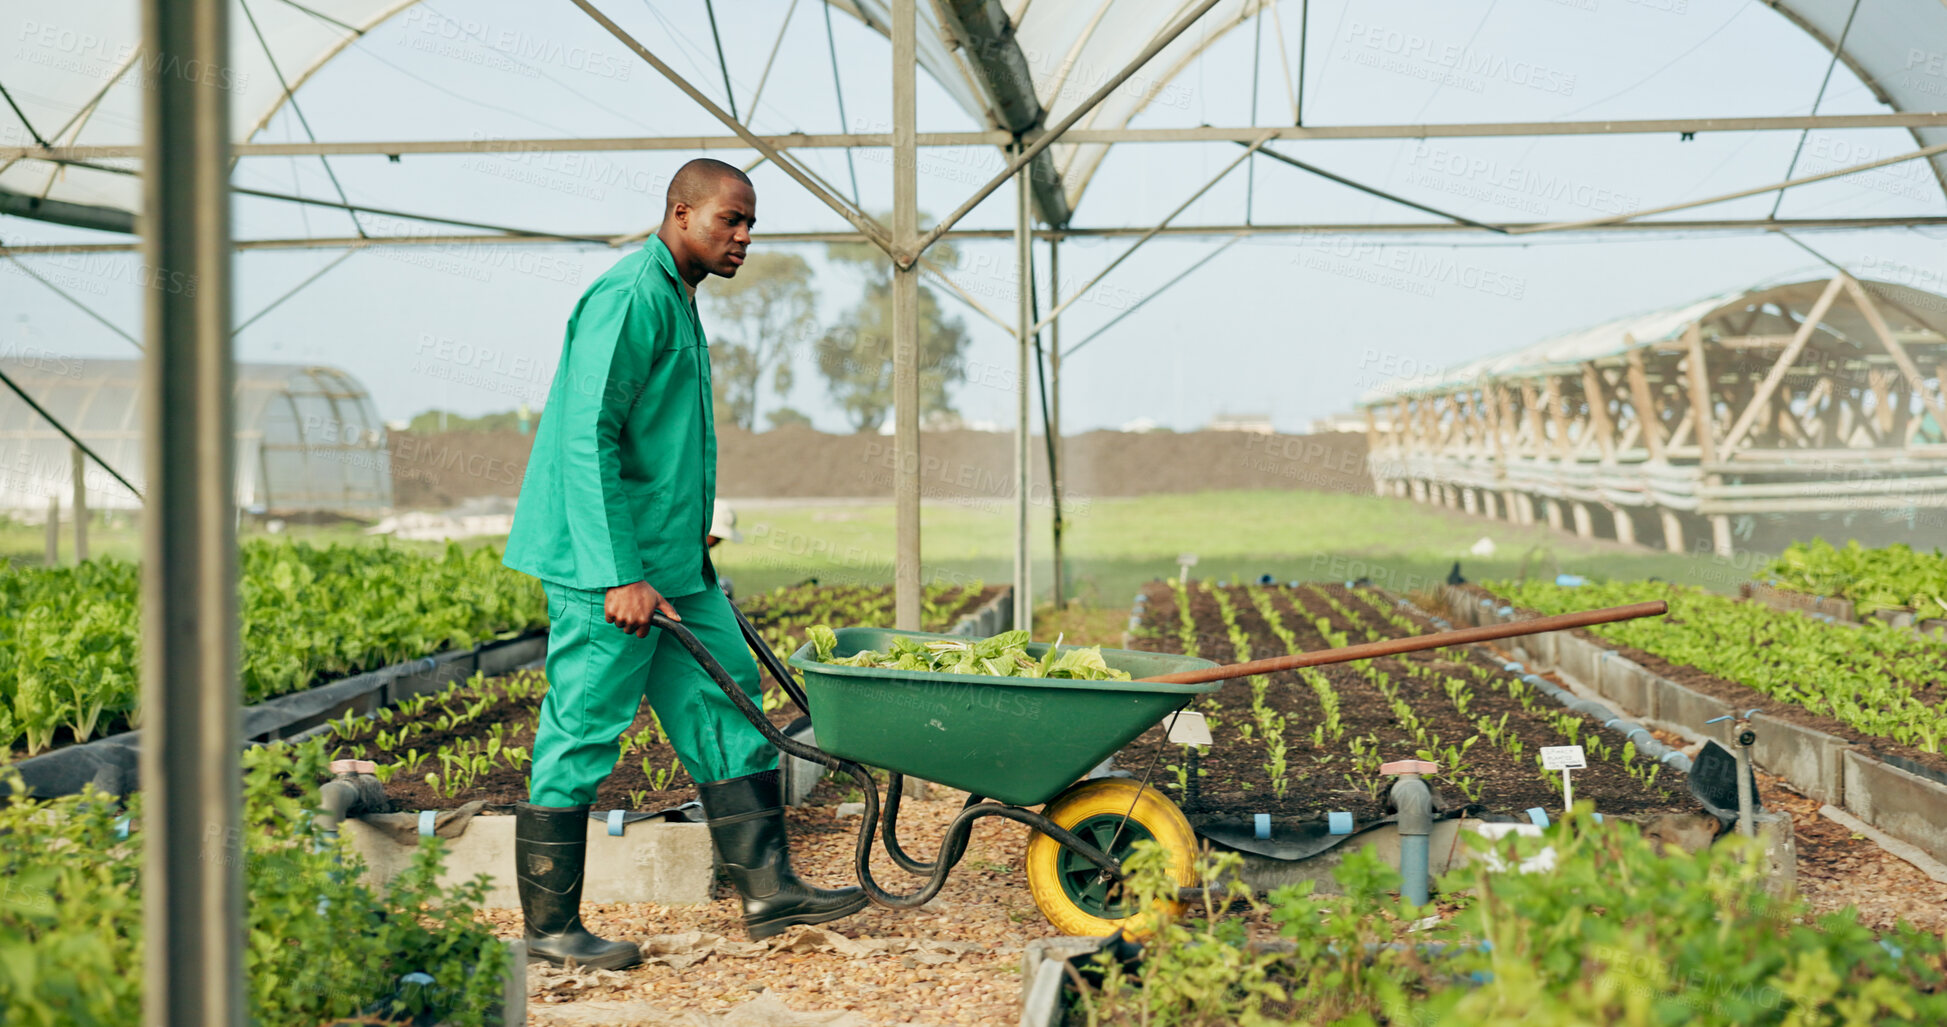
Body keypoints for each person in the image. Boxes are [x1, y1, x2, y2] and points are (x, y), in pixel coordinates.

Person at [503, 158, 866, 970]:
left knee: (730, 699)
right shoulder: (631, 296)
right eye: (728, 221)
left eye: (749, 225)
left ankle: (770, 891)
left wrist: (683, 539)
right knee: (584, 728)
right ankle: (550, 932)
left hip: (670, 562)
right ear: (679, 213)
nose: (742, 237)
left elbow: (656, 443)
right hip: (609, 569)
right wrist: (614, 571)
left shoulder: (677, 294)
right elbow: (583, 435)